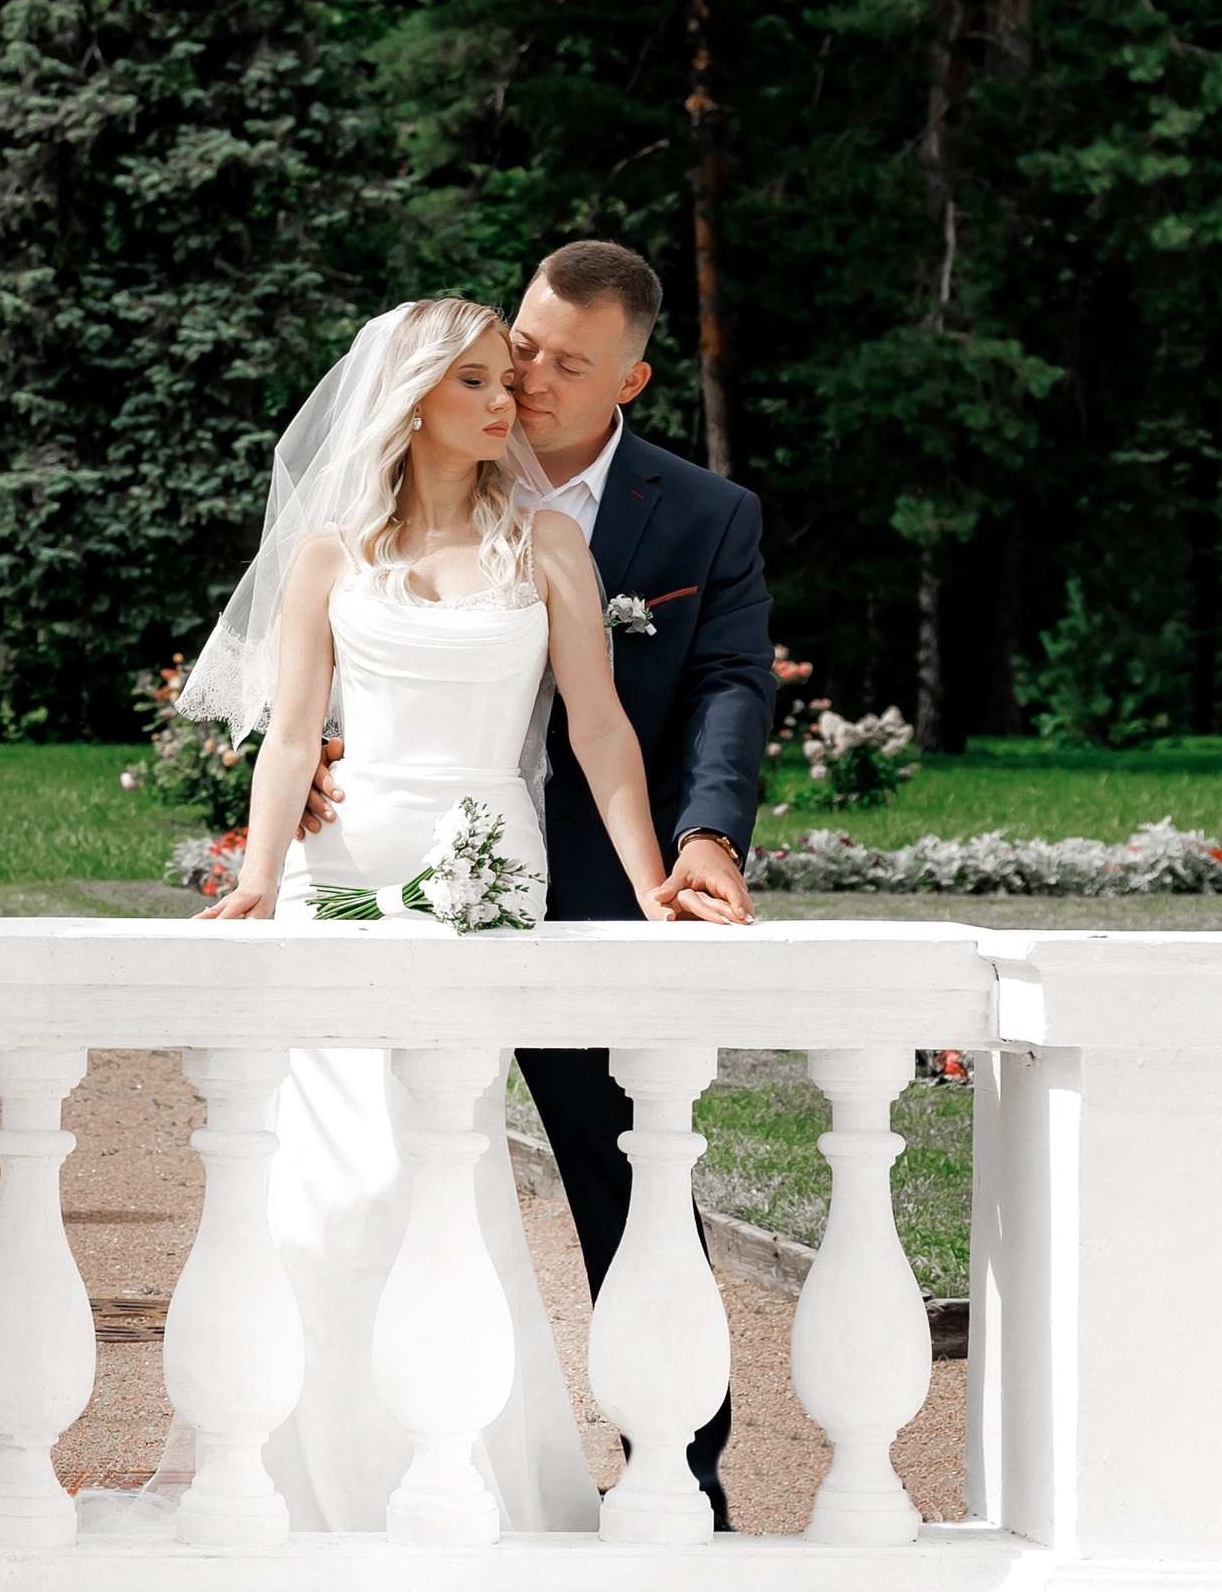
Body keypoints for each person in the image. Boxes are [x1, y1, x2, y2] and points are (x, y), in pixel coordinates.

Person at [170, 294, 741, 1536]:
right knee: (328, 1189)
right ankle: (302, 1481)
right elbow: (288, 733)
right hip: (344, 873)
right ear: (414, 398)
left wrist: (651, 879)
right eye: (478, 382)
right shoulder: (331, 551)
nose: (508, 403)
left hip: (485, 875)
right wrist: (261, 874)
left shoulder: (543, 545)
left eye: (508, 379)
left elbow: (598, 730)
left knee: (434, 1175)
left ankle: (451, 1479)